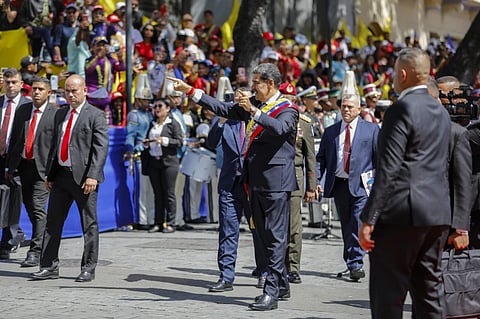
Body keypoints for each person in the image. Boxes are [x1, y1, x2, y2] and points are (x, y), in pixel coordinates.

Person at [168, 62, 299, 311]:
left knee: (274, 236)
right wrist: (190, 91)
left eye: (256, 83)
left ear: (270, 84)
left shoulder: (287, 109)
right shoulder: (255, 105)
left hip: (276, 183)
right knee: (264, 233)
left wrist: (254, 112)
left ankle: (271, 291)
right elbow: (222, 108)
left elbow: (280, 129)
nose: (252, 88)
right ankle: (281, 283)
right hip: (254, 182)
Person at [359, 47, 451, 318]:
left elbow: (389, 168)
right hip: (437, 213)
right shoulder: (440, 110)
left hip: (402, 213)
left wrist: (370, 217)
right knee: (429, 293)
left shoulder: (401, 108)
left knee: (388, 295)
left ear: (402, 74)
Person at [32, 75, 109, 282]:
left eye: (74, 90)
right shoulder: (60, 114)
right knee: (53, 222)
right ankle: (48, 265)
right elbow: (54, 146)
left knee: (89, 224)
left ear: (85, 91)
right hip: (61, 177)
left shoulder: (96, 115)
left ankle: (88, 268)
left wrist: (93, 176)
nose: (71, 94)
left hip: (84, 179)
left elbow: (100, 150)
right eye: (67, 90)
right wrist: (50, 173)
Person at [316, 71, 379, 282]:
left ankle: (356, 263)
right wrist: (316, 180)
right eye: (343, 106)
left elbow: (379, 159)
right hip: (340, 185)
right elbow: (321, 158)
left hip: (362, 186)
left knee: (358, 223)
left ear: (359, 109)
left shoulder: (371, 130)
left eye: (350, 107)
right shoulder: (331, 131)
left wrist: (377, 183)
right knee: (345, 225)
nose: (346, 110)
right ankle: (351, 262)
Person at [205, 87, 265, 293]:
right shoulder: (227, 119)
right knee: (228, 232)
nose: (240, 102)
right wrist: (220, 121)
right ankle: (226, 276)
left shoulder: (259, 118)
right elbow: (211, 143)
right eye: (237, 98)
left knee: (259, 231)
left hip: (253, 185)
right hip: (230, 185)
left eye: (244, 99)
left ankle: (264, 272)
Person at [6, 76, 57, 267]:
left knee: (37, 207)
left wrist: (53, 172)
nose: (36, 92)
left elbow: (57, 145)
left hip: (43, 169)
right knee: (28, 207)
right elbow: (16, 140)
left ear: (48, 92)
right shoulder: (23, 111)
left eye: (40, 89)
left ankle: (35, 251)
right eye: (34, 89)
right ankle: (41, 243)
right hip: (23, 166)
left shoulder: (55, 114)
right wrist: (10, 167)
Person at [280, 83, 316, 284]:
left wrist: (312, 186)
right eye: (285, 98)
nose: (289, 102)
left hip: (294, 175)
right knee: (275, 224)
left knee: (294, 226)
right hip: (274, 176)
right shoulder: (273, 117)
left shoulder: (304, 122)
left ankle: (293, 267)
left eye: (292, 100)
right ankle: (275, 264)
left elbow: (310, 156)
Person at [434, 76, 472, 249]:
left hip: (453, 217)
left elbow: (462, 182)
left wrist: (460, 227)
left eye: (446, 96)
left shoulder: (460, 133)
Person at [0, 68, 31, 260]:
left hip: (17, 159)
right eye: (7, 81)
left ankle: (9, 240)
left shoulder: (27, 106)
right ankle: (16, 233)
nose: (10, 85)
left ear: (21, 84)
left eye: (14, 82)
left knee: (13, 200)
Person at [143, 98, 183, 233]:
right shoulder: (152, 123)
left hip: (169, 162)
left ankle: (171, 223)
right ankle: (158, 222)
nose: (157, 109)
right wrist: (147, 143)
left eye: (160, 106)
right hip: (155, 161)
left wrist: (164, 140)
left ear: (167, 108)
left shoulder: (173, 124)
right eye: (155, 106)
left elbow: (179, 142)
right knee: (157, 194)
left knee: (169, 193)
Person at [124, 74, 155, 230]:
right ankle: (142, 219)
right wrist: (130, 149)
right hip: (139, 154)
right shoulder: (134, 115)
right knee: (142, 190)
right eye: (144, 100)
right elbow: (130, 135)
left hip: (151, 154)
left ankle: (151, 217)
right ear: (137, 100)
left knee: (150, 189)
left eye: (149, 100)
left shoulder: (150, 114)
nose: (147, 103)